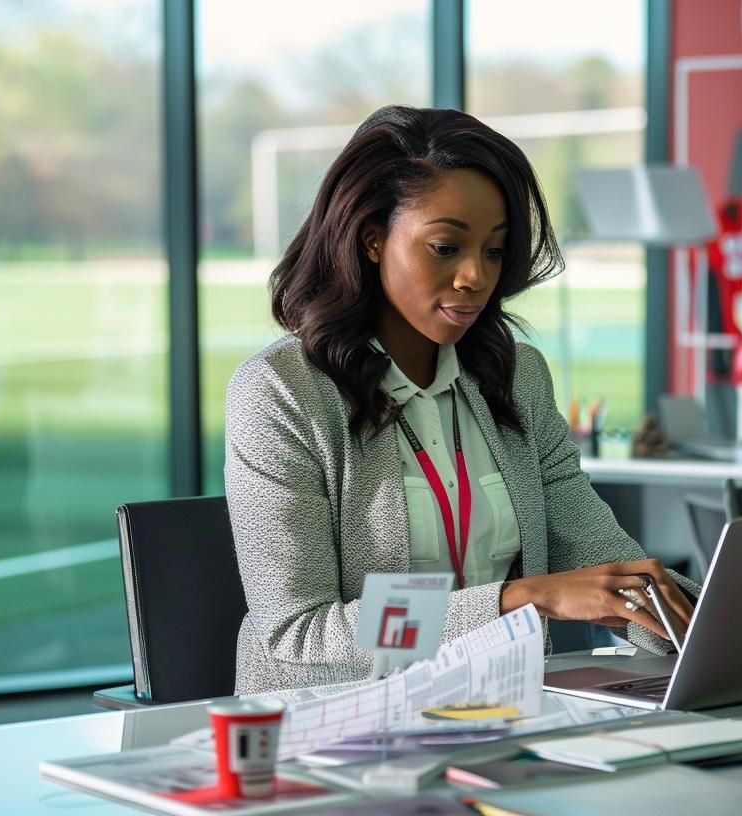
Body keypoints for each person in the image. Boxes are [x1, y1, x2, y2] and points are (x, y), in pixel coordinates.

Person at [225, 105, 696, 694]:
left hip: (502, 713)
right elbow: (296, 634)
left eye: (495, 251)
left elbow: (608, 562)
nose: (475, 276)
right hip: (332, 730)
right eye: (446, 247)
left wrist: (708, 619)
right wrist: (518, 600)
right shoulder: (281, 391)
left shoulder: (517, 378)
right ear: (373, 239)